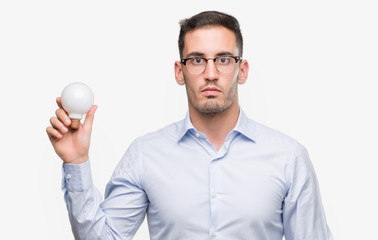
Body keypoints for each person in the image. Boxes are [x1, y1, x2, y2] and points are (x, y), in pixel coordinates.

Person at [47, 11, 333, 240]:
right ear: (179, 71)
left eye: (223, 59)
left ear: (241, 70)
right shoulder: (145, 155)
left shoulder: (288, 157)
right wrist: (77, 162)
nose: (210, 73)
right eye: (197, 60)